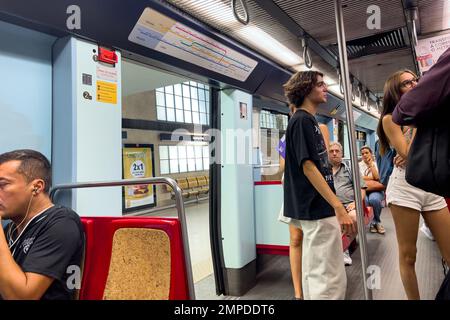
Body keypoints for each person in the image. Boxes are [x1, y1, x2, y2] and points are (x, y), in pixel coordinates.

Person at [377, 69, 450, 299]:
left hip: (431, 185)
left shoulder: (432, 110)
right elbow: (407, 152)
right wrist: (421, 121)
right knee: (409, 255)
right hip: (404, 187)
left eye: (415, 80)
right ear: (396, 92)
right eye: (407, 83)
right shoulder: (390, 119)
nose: (415, 84)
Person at [283, 70, 355, 300]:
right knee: (328, 276)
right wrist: (338, 206)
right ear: (306, 89)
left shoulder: (308, 120)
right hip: (317, 209)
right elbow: (309, 167)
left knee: (317, 271)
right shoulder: (302, 120)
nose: (326, 88)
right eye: (321, 84)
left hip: (316, 207)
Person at [0, 149, 84, 300]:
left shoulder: (62, 223)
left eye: (2, 185)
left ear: (37, 187)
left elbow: (22, 297)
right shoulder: (10, 229)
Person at [277, 106, 330, 300]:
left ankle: (316, 289)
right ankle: (299, 293)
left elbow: (324, 160)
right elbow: (282, 166)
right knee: (296, 239)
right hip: (294, 189)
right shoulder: (285, 138)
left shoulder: (319, 127)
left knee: (315, 239)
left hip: (315, 189)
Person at [328, 142, 366, 266]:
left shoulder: (350, 168)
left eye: (337, 151)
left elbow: (362, 189)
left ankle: (343, 250)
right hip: (330, 206)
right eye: (331, 151)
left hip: (349, 204)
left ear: (341, 153)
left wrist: (356, 203)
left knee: (354, 217)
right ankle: (333, 250)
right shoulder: (323, 170)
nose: (334, 153)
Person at [359, 146, 385, 234]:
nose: (365, 155)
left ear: (371, 153)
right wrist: (372, 178)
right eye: (362, 154)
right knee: (365, 201)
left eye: (366, 153)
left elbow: (377, 177)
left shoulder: (377, 163)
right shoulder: (358, 165)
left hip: (376, 189)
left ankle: (376, 222)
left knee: (374, 200)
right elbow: (359, 178)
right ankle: (371, 223)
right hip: (363, 190)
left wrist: (371, 165)